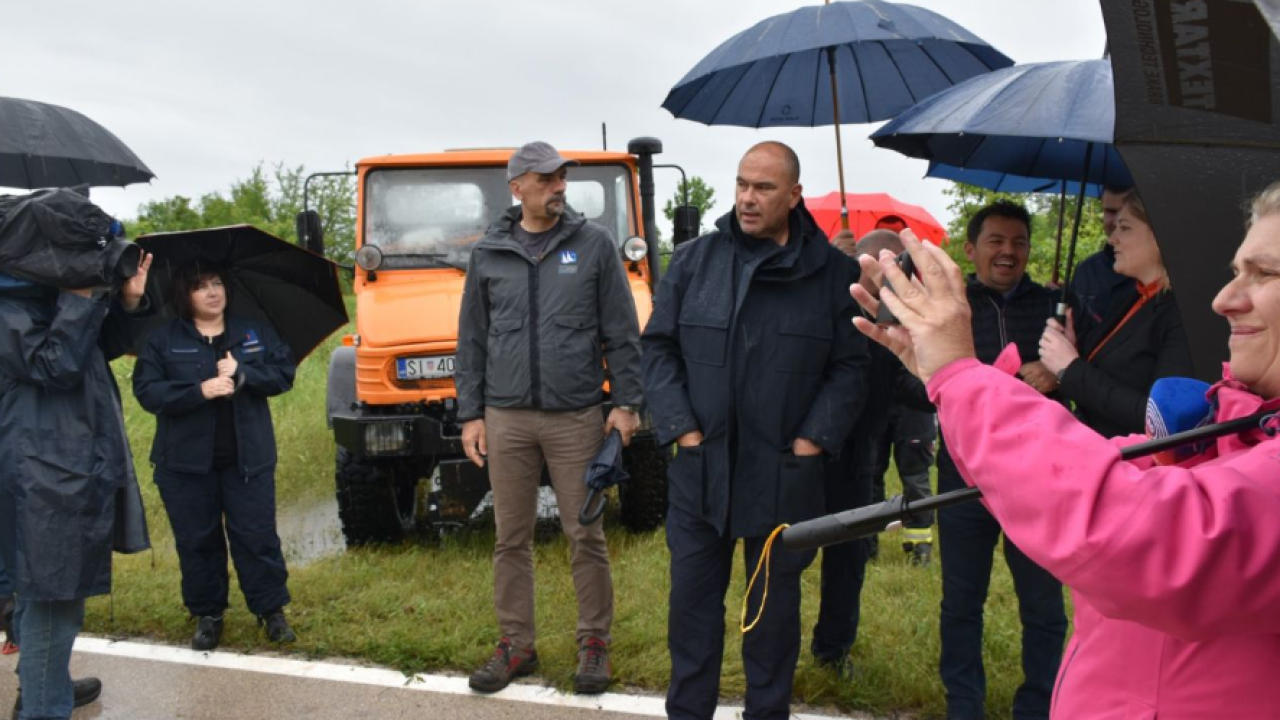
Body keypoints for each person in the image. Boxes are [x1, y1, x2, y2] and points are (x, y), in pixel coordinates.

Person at [849, 181, 1280, 719]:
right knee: (962, 598)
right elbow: (1076, 474)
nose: (1223, 300)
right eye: (1235, 270)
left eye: (1263, 274)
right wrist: (958, 380)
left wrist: (964, 379)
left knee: (1040, 608)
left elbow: (1124, 525)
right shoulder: (1239, 422)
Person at [642, 141, 868, 720]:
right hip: (701, 472)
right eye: (742, 184)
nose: (747, 198)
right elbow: (659, 349)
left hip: (782, 475)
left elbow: (852, 368)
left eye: (763, 188)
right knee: (691, 612)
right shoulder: (695, 262)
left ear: (794, 195)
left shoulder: (833, 276)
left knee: (771, 620)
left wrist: (812, 440)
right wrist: (682, 432)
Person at [455, 141, 643, 695]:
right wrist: (471, 415)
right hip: (506, 417)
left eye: (562, 177)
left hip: (577, 417)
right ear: (518, 188)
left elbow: (622, 330)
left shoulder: (594, 245)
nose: (558, 186)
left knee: (583, 534)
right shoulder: (488, 252)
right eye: (546, 179)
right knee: (509, 537)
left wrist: (627, 404)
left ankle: (594, 643)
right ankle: (517, 644)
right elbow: (472, 342)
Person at [0, 255, 153, 720]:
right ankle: (44, 707)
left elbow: (98, 346)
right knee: (54, 596)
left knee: (48, 589)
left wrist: (126, 301)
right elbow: (55, 365)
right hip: (41, 470)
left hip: (68, 462)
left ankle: (42, 684)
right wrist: (80, 296)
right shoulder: (8, 304)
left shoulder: (40, 296)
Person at [935, 201, 1067, 720]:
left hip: (1037, 476)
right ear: (970, 250)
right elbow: (908, 383)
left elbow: (1080, 368)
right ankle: (962, 706)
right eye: (996, 241)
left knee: (1043, 605)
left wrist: (1058, 372)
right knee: (961, 601)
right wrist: (971, 383)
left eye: (1019, 242)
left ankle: (1040, 705)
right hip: (963, 474)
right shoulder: (951, 308)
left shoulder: (1055, 306)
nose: (1008, 252)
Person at [132, 260, 298, 651]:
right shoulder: (163, 339)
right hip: (186, 466)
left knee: (256, 537)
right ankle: (208, 614)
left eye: (217, 283)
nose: (213, 292)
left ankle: (271, 611)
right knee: (198, 541)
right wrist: (196, 392)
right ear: (184, 295)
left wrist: (244, 373)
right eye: (201, 286)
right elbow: (147, 392)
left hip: (248, 460)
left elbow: (283, 373)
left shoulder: (251, 331)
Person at [809, 228, 928, 676]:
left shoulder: (892, 321)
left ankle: (833, 651)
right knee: (785, 552)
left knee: (849, 559)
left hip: (860, 457)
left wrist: (948, 384)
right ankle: (769, 643)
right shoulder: (822, 310)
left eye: (900, 267)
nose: (894, 274)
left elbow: (904, 384)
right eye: (884, 265)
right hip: (807, 454)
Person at [1040, 191, 1194, 437]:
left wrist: (1070, 367)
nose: (1112, 240)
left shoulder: (1183, 315)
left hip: (1136, 466)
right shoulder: (1135, 297)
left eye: (1125, 228)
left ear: (1159, 236)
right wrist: (1072, 348)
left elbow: (1160, 419)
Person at [1068, 185, 1136, 341]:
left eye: (1124, 213)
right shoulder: (1085, 271)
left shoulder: (1160, 279)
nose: (1116, 221)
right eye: (1110, 212)